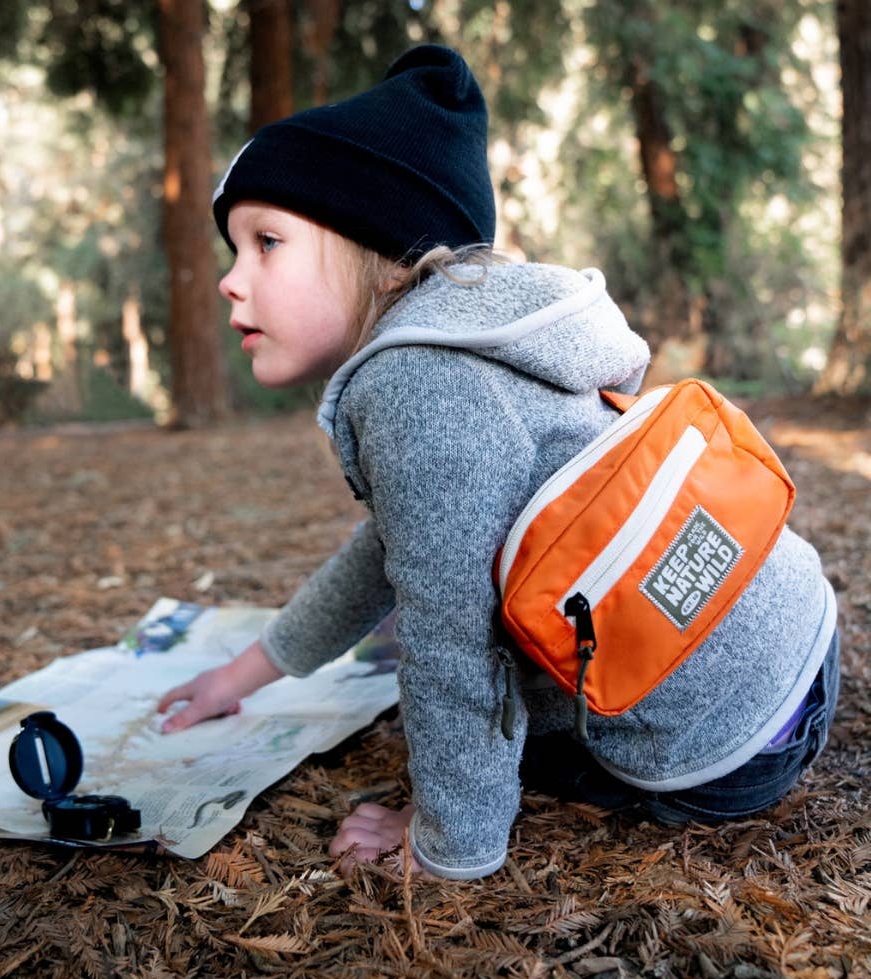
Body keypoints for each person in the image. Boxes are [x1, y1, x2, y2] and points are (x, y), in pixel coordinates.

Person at [156, 45, 839, 880]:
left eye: (266, 242)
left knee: (475, 706)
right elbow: (392, 549)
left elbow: (454, 646)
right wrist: (252, 669)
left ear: (376, 244)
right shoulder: (484, 333)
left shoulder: (414, 385)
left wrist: (447, 846)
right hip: (798, 641)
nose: (232, 280)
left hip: (724, 751)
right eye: (234, 250)